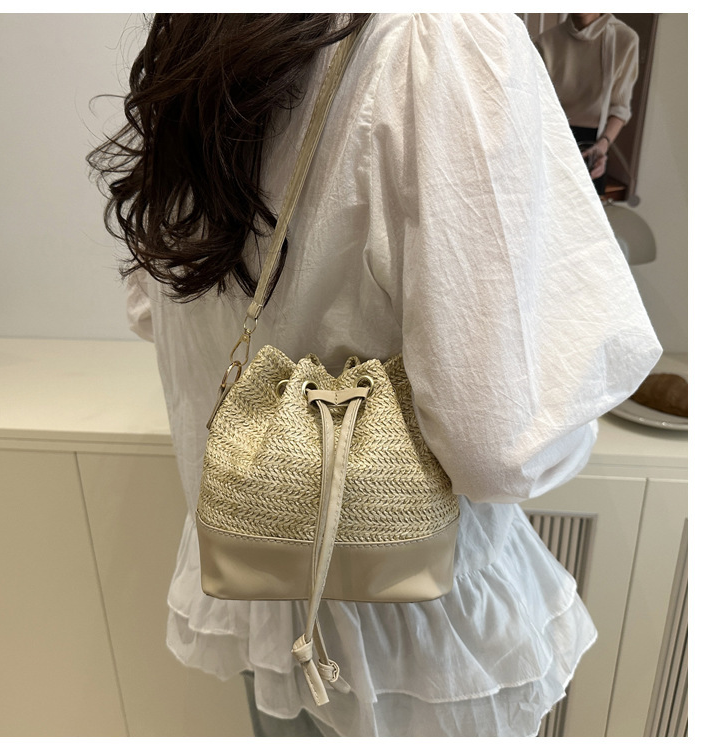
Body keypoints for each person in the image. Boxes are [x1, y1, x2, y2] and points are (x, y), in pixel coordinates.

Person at [89, 14, 661, 737]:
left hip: (257, 594)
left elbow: (151, 308)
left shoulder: (194, 36)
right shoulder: (442, 39)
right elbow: (503, 444)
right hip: (419, 649)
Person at [535, 13, 640, 195]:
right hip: (550, 140)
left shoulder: (624, 39)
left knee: (586, 211)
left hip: (593, 145)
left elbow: (620, 107)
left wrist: (603, 145)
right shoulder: (545, 42)